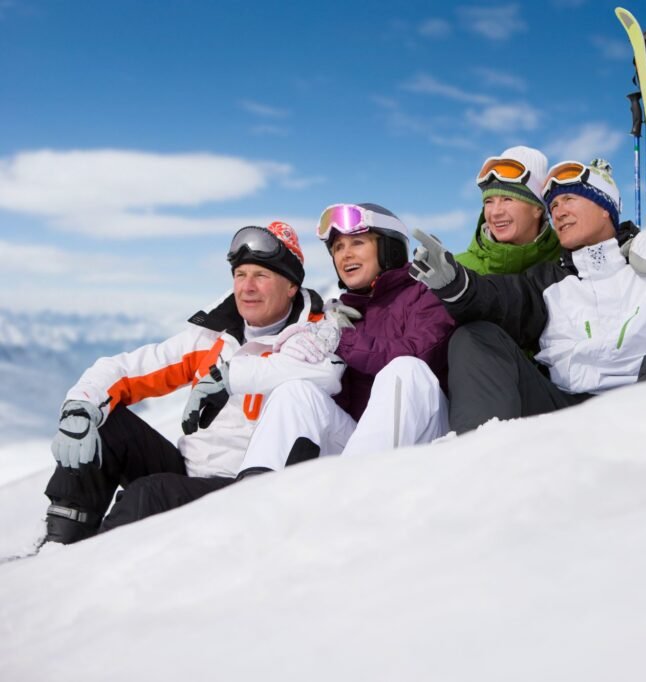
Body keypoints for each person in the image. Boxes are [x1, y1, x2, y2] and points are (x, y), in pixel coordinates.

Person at [44, 222, 341, 543]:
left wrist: (236, 377)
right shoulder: (214, 337)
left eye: (261, 275)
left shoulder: (314, 338)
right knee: (103, 426)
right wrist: (81, 404)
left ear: (291, 286)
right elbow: (132, 369)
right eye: (240, 275)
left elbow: (327, 377)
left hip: (245, 487)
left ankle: (85, 570)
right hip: (190, 471)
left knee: (150, 493)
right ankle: (59, 546)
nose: (247, 287)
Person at [409, 159, 646, 434]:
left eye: (569, 199)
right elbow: (499, 300)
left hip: (643, 407)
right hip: (561, 410)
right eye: (554, 206)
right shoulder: (545, 281)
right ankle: (479, 460)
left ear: (605, 209)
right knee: (474, 336)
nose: (559, 212)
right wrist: (456, 283)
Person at [234, 203, 455, 475]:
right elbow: (344, 400)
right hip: (360, 450)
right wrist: (320, 361)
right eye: (338, 248)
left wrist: (343, 341)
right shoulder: (341, 314)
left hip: (428, 440)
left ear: (389, 249)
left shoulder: (426, 295)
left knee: (405, 370)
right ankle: (255, 493)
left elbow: (420, 354)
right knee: (296, 391)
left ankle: (357, 494)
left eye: (357, 243)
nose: (345, 255)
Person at [456, 145, 561, 275]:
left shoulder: (570, 262)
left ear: (538, 209)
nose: (495, 212)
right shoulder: (457, 271)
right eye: (489, 201)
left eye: (507, 199)